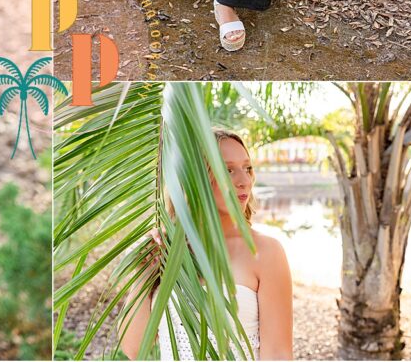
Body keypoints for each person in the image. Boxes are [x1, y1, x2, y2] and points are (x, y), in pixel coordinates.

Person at [119, 129, 294, 360]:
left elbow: (278, 355)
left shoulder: (266, 252)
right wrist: (146, 270)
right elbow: (134, 349)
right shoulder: (168, 248)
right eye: (228, 170)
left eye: (247, 168)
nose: (244, 181)